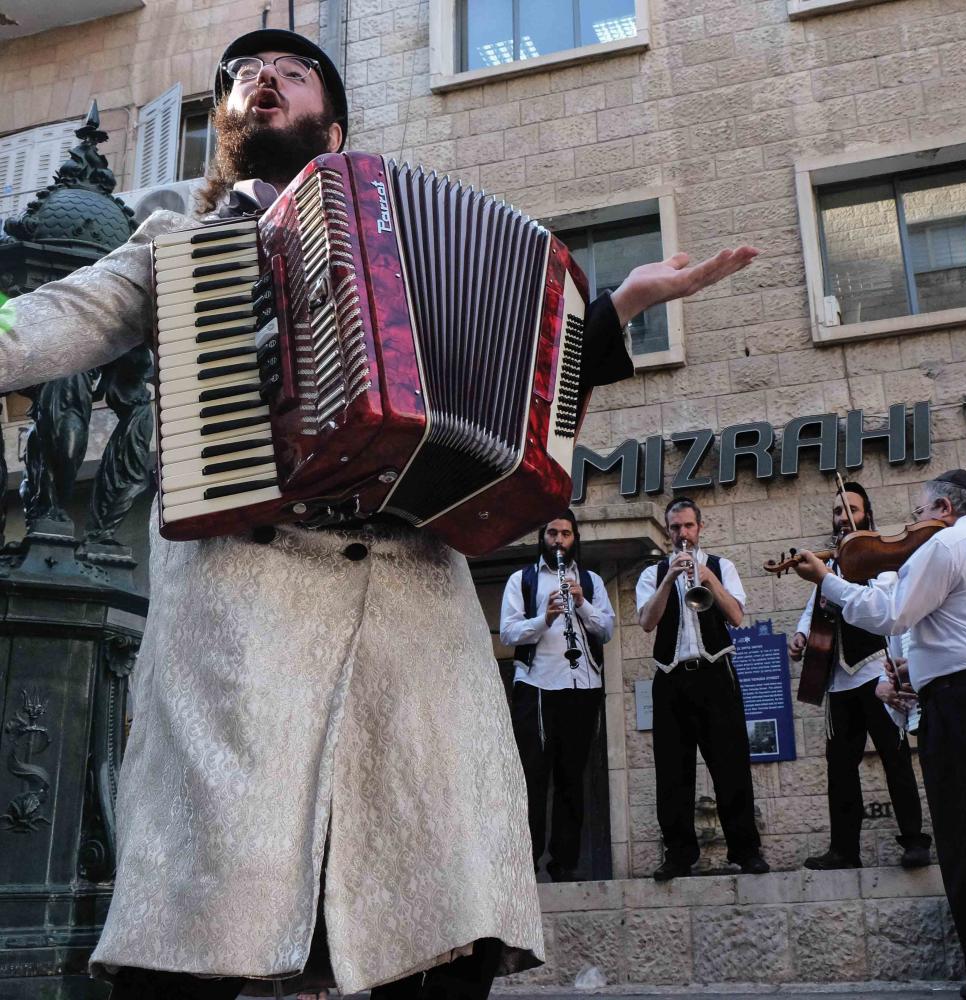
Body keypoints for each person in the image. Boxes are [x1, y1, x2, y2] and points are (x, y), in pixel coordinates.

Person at [0, 28, 760, 1000]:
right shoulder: (177, 244)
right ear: (225, 124)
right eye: (241, 79)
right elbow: (52, 315)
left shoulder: (397, 237)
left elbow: (517, 383)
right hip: (243, 605)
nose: (261, 82)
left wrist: (611, 314)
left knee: (441, 916)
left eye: (289, 72)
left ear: (336, 119)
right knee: (198, 920)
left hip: (412, 607)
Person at [791, 470, 966, 1000]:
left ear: (946, 508)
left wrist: (826, 579)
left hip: (964, 707)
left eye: (921, 511)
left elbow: (890, 613)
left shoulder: (947, 542)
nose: (913, 523)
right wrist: (922, 670)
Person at [788, 483, 930, 871]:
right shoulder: (827, 566)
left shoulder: (881, 561)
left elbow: (887, 606)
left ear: (866, 514)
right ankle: (844, 849)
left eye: (850, 509)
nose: (842, 516)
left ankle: (914, 841)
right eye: (837, 510)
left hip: (875, 672)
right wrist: (801, 635)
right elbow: (811, 609)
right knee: (840, 769)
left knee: (896, 759)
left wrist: (847, 573)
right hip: (839, 679)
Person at [635, 497, 768, 881]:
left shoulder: (721, 566)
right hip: (671, 676)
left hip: (715, 672)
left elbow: (738, 616)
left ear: (700, 527)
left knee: (731, 764)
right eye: (675, 528)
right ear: (667, 531)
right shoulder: (653, 573)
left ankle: (745, 851)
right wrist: (670, 578)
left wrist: (705, 577)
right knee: (672, 772)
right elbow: (647, 622)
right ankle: (679, 854)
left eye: (688, 527)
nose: (682, 535)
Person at [499, 510, 614, 883]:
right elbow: (508, 634)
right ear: (542, 537)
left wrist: (581, 603)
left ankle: (565, 863)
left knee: (572, 778)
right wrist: (545, 618)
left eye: (565, 534)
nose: (559, 540)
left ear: (574, 538)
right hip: (537, 686)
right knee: (534, 778)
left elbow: (607, 629)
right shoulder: (523, 580)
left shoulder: (592, 582)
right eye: (552, 533)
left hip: (583, 686)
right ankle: (525, 863)